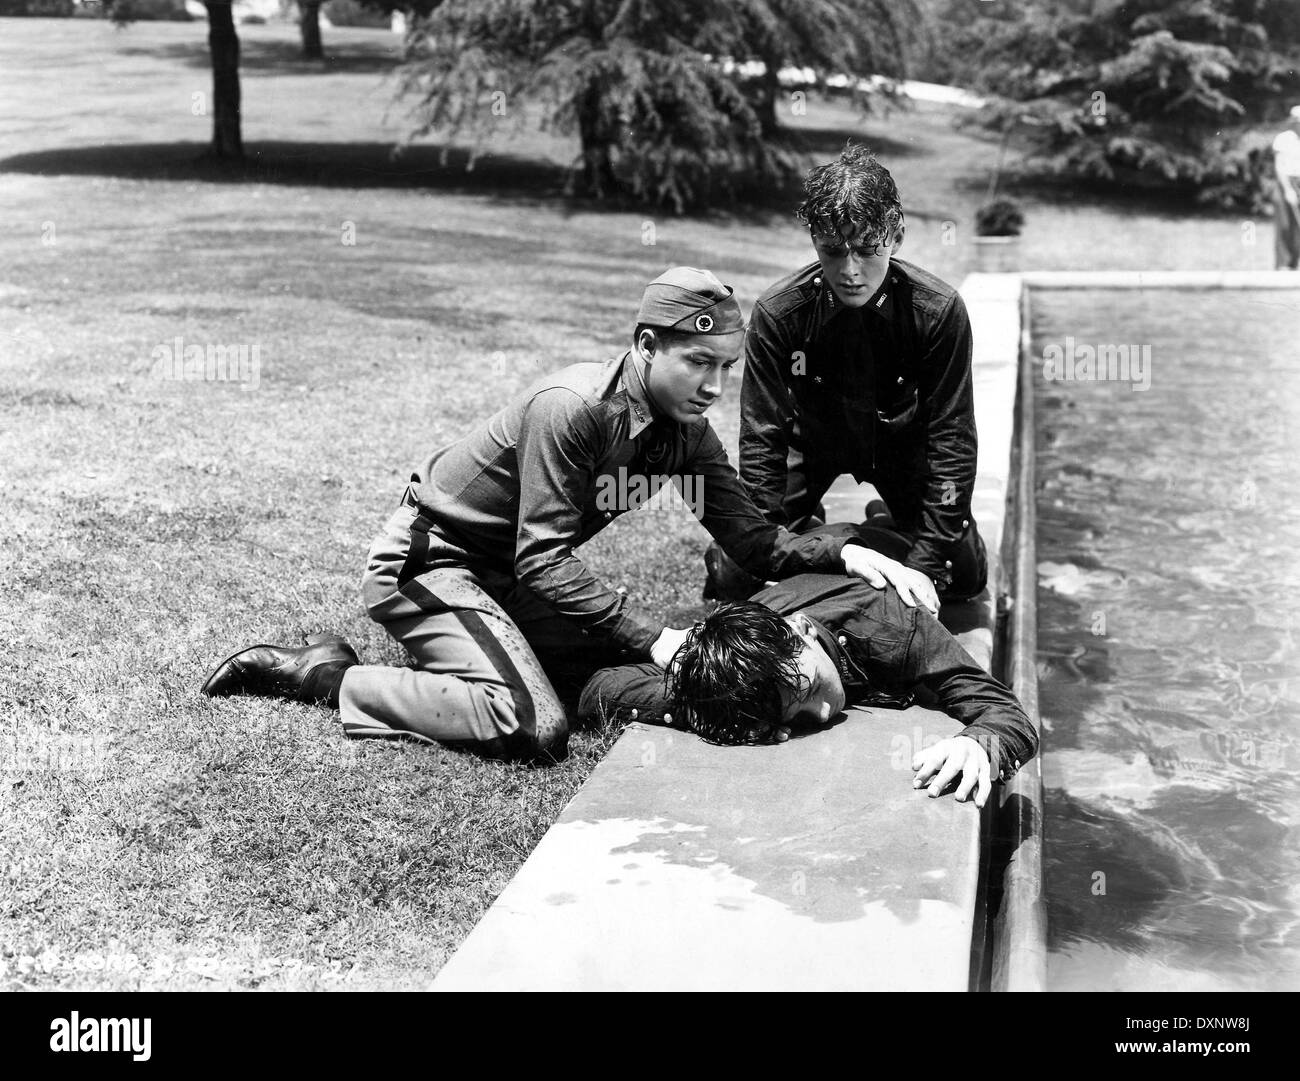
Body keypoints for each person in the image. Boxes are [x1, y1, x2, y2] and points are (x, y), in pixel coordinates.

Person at [201, 268, 921, 761]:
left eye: (725, 367)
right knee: (533, 723)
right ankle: (323, 676)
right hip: (431, 564)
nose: (715, 384)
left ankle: (487, 652)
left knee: (599, 665)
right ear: (646, 347)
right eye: (699, 362)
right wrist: (656, 637)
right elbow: (541, 558)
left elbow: (752, 541)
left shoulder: (686, 435)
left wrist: (842, 554)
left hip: (507, 581)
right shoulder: (573, 408)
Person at [706, 143, 985, 613]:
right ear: (814, 239)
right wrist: (764, 542)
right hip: (812, 443)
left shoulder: (937, 312)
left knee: (965, 577)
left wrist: (927, 563)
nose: (850, 270)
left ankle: (888, 518)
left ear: (896, 237)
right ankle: (811, 524)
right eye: (833, 251)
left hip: (902, 447)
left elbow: (952, 440)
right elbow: (762, 440)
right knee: (735, 575)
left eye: (867, 249)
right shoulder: (781, 314)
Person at [578, 562, 1038, 809]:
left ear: (803, 632)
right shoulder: (743, 662)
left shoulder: (899, 628)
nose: (819, 715)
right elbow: (599, 689)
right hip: (788, 583)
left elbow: (1005, 711)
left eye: (810, 688)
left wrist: (981, 745)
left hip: (895, 557)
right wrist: (711, 709)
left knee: (965, 565)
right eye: (793, 716)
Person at [1273, 105, 1300, 270]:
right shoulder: (1283, 139)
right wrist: (1288, 190)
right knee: (1284, 224)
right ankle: (1283, 265)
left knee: (1298, 225)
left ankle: (1295, 264)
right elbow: (1279, 166)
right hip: (1285, 181)